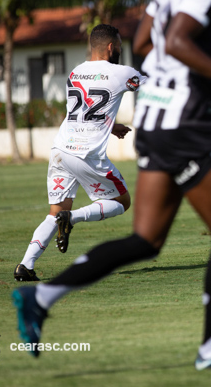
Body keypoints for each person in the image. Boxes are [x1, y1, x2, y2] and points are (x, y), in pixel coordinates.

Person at [13, 0, 211, 370]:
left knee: (147, 239)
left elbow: (148, 39)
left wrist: (168, 77)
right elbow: (178, 41)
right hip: (187, 123)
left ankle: (42, 298)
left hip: (154, 120)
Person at [13, 24, 143, 282]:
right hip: (86, 154)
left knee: (54, 212)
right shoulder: (121, 73)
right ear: (110, 47)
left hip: (61, 149)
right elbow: (159, 86)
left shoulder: (75, 72)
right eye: (118, 46)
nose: (119, 50)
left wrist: (110, 125)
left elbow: (84, 109)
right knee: (122, 202)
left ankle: (25, 265)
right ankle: (72, 219)